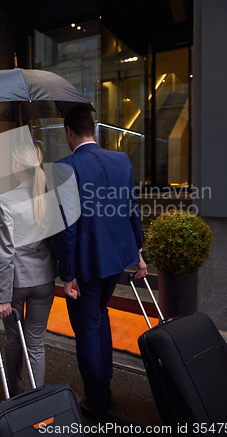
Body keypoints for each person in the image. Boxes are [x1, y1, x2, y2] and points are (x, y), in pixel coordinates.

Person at [53, 104, 148, 419]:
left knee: (86, 330)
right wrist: (139, 254)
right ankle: (103, 386)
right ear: (92, 128)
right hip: (116, 261)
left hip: (86, 266)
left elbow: (67, 228)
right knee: (100, 317)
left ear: (69, 131)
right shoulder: (120, 160)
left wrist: (67, 275)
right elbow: (131, 208)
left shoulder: (66, 166)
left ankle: (96, 400)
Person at [0, 141, 56, 395]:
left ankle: (16, 396)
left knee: (14, 340)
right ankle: (35, 401)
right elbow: (55, 242)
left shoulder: (6, 200)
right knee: (36, 344)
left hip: (16, 282)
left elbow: (5, 253)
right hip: (44, 278)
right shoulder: (48, 197)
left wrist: (3, 296)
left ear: (18, 165)